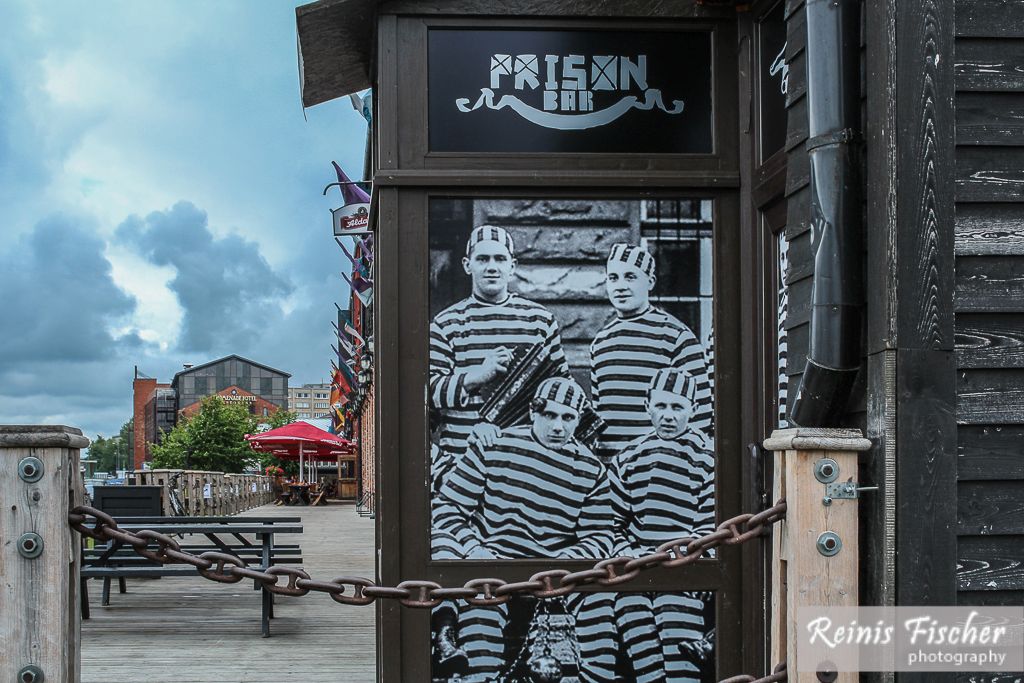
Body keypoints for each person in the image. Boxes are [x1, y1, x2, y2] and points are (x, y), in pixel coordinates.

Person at [433, 377, 616, 679]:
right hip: (491, 564)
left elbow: (599, 535)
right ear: (533, 412)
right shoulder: (494, 446)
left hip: (554, 572)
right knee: (482, 607)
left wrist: (562, 566)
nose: (558, 426)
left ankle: (597, 677)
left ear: (578, 419)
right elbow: (447, 507)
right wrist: (474, 548)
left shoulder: (591, 469)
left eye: (568, 417)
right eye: (550, 415)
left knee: (600, 603)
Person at [609, 367, 716, 682]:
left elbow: (707, 524)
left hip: (685, 569)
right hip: (639, 568)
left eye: (677, 407)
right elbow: (614, 522)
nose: (668, 416)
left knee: (678, 637)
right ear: (647, 405)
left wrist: (688, 560)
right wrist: (628, 553)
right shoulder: (628, 457)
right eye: (661, 406)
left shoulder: (708, 456)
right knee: (632, 611)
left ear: (693, 410)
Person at [590, 243, 712, 463]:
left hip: (660, 469)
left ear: (650, 282)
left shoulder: (675, 336)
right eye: (613, 278)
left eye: (630, 277)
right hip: (611, 472)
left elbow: (700, 416)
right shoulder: (601, 342)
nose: (621, 286)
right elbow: (601, 415)